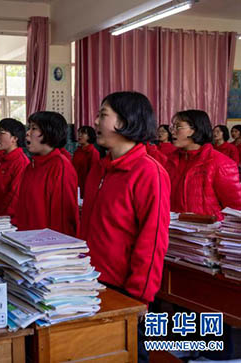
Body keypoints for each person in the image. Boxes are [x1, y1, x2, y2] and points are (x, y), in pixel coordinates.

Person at [79, 92, 171, 363]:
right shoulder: (100, 168)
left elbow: (153, 241)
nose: (95, 121)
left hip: (125, 289)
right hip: (91, 281)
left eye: (103, 114)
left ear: (125, 122)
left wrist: (139, 295)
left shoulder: (148, 172)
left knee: (129, 354)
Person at [166, 110, 241, 220]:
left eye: (178, 127)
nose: (172, 132)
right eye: (172, 127)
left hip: (208, 233)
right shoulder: (170, 161)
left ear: (195, 129)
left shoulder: (221, 163)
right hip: (174, 231)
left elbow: (235, 209)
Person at [13, 111, 79, 236]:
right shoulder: (30, 167)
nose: (27, 133)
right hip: (27, 243)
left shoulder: (60, 167)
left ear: (49, 132)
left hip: (48, 248)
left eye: (34, 129)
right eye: (29, 128)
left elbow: (63, 221)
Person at [72, 126, 100, 199]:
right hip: (75, 185)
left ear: (90, 136)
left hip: (86, 188)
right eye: (79, 133)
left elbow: (94, 175)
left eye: (83, 133)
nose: (80, 135)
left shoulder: (93, 153)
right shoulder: (77, 152)